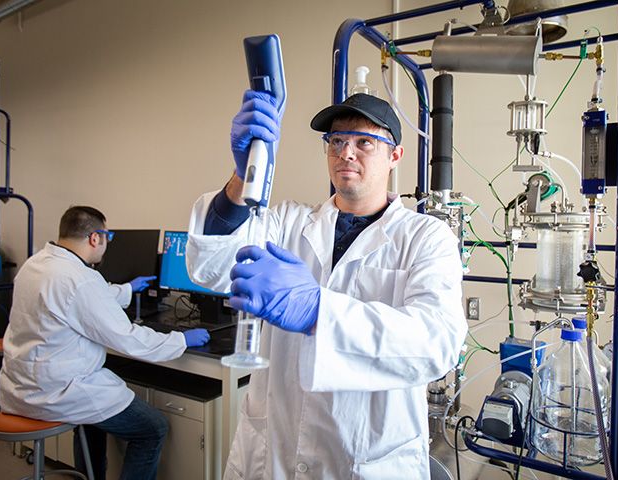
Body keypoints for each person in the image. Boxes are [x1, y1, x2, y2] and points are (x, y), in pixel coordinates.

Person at [186, 91, 467, 479]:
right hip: (274, 454)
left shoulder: (426, 237)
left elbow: (436, 345)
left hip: (365, 459)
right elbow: (211, 264)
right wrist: (243, 175)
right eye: (336, 141)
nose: (345, 153)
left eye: (364, 142)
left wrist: (319, 311)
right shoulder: (288, 222)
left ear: (395, 156)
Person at [0, 205, 210, 480]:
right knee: (153, 428)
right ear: (95, 237)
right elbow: (129, 339)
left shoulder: (36, 264)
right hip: (57, 391)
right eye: (107, 238)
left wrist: (126, 289)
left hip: (20, 386)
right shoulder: (81, 279)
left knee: (90, 421)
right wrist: (181, 339)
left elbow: (76, 299)